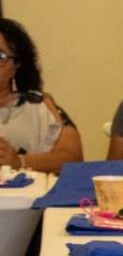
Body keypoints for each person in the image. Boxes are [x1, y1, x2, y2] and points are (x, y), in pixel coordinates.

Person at [0, 18, 82, 173]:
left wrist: (19, 161)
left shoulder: (40, 106)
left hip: (27, 195)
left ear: (17, 65)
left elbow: (72, 157)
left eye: (0, 56)